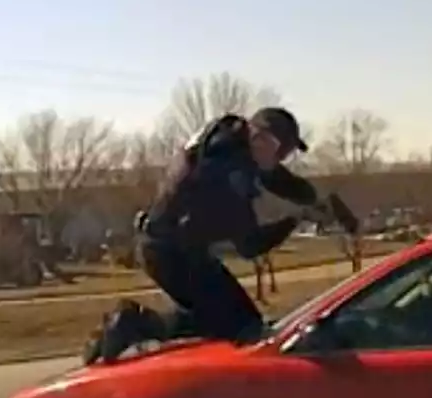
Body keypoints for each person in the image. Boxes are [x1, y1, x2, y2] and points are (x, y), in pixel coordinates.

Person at [91, 106, 334, 363]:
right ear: (260, 138)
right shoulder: (229, 175)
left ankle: (136, 325)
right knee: (242, 326)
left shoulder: (230, 141)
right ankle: (133, 323)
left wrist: (311, 197)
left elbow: (274, 178)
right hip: (171, 255)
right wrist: (296, 219)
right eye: (281, 152)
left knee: (237, 320)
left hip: (174, 246)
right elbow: (250, 246)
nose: (282, 159)